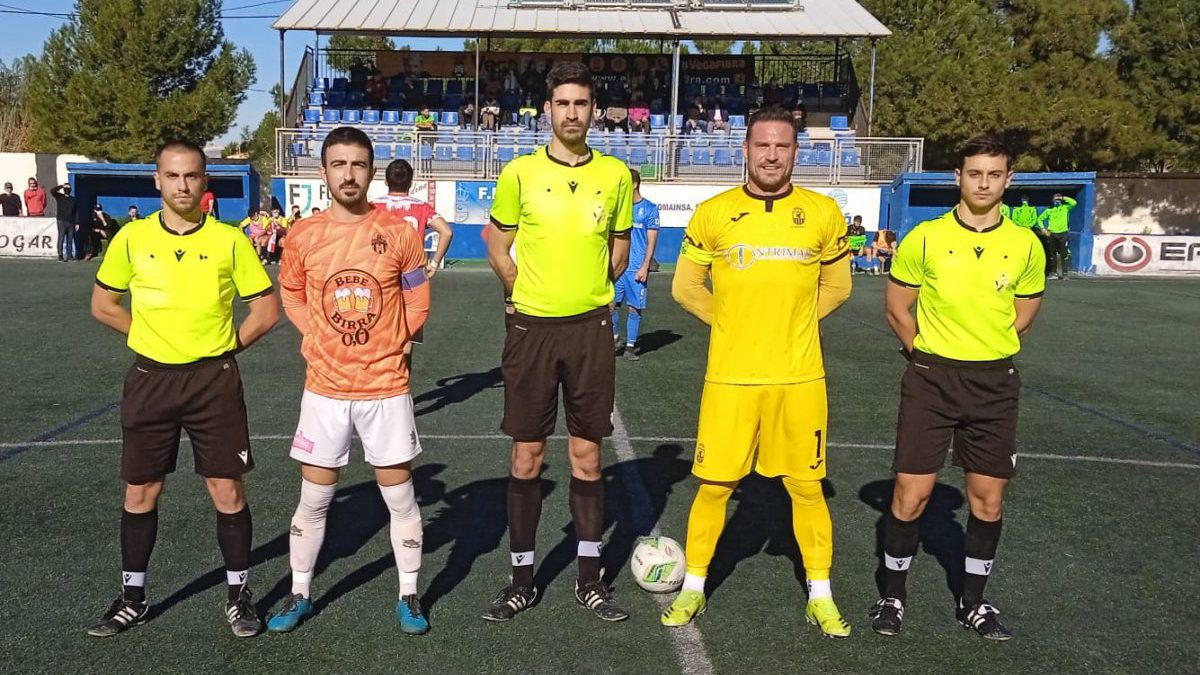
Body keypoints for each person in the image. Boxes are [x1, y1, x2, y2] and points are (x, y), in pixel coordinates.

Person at [664, 106, 854, 638]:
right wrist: (733, 322)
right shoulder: (713, 212)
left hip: (799, 380)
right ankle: (693, 589)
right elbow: (685, 288)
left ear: (796, 151)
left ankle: (821, 595)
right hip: (731, 379)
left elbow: (838, 287)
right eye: (762, 145)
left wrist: (789, 323)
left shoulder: (822, 213)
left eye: (783, 146)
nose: (772, 155)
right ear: (744, 150)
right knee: (715, 486)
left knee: (808, 488)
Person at [87, 139, 279, 638]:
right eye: (172, 176)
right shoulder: (130, 237)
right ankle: (133, 597)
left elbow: (266, 311)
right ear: (157, 180)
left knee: (226, 489)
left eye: (192, 176)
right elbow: (104, 305)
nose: (182, 185)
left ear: (204, 181)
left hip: (212, 382)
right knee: (141, 491)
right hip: (150, 379)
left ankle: (239, 596)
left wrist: (224, 349)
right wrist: (151, 338)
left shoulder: (229, 241)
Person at [873, 135, 1045, 641]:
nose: (984, 183)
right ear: (959, 177)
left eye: (994, 174)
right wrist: (925, 354)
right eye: (975, 174)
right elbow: (896, 309)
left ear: (1008, 180)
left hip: (994, 384)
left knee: (987, 501)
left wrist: (984, 348)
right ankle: (892, 596)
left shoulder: (1025, 244)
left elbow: (1025, 314)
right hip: (931, 380)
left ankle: (974, 602)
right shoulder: (925, 237)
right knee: (910, 495)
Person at [483, 61, 633, 623]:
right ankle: (522, 579)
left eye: (582, 104)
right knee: (527, 456)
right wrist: (519, 292)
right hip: (532, 331)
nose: (572, 113)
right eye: (563, 103)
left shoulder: (615, 175)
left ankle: (589, 579)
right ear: (548, 109)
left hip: (590, 330)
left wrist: (587, 293)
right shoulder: (519, 173)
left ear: (594, 111)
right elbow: (497, 245)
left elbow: (618, 253)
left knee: (588, 457)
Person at [268, 127, 433, 635]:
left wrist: (403, 340)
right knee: (314, 499)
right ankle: (299, 593)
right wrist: (314, 330)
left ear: (371, 171)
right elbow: (290, 291)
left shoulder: (399, 233)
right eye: (338, 164)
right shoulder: (303, 235)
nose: (348, 174)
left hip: (385, 388)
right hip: (325, 388)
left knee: (400, 496)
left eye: (358, 165)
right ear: (324, 173)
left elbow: (417, 296)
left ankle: (409, 596)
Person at [371, 158, 455, 372]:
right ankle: (402, 392)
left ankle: (378, 389)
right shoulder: (421, 207)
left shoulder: (373, 207)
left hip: (380, 275)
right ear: (410, 181)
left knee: (376, 335)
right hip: (412, 277)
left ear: (385, 180)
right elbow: (446, 231)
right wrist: (434, 263)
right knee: (407, 339)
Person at [612, 169, 659, 361]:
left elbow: (651, 241)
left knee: (634, 308)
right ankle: (614, 338)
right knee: (610, 304)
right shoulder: (618, 208)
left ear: (634, 184)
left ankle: (630, 346)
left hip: (635, 268)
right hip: (617, 266)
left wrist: (645, 266)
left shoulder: (649, 209)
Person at [1037, 193, 1077, 280]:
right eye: (1055, 200)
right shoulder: (1049, 210)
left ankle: (1065, 274)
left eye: (1058, 200)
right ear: (1053, 201)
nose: (1057, 201)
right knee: (1052, 254)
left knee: (1064, 254)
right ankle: (1053, 273)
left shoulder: (1065, 208)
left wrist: (1063, 197)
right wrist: (1043, 229)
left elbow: (1074, 203)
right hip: (1052, 234)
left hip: (1063, 234)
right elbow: (1039, 219)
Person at [50, 182, 78, 261]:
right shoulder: (59, 197)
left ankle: (69, 255)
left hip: (71, 222)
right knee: (61, 238)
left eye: (68, 189)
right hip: (61, 221)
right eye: (65, 189)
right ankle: (60, 255)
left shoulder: (73, 199)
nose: (67, 190)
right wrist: (61, 186)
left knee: (70, 239)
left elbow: (76, 212)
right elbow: (52, 191)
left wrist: (77, 222)